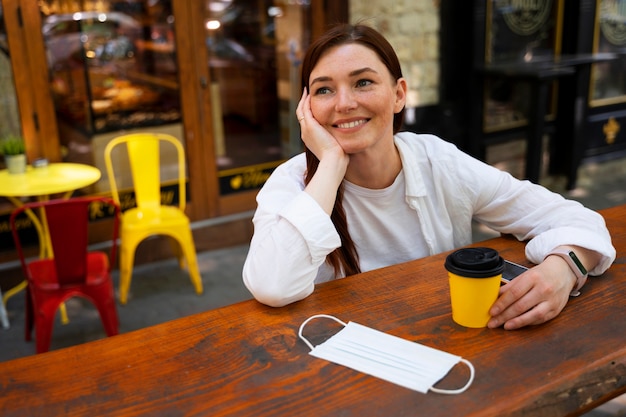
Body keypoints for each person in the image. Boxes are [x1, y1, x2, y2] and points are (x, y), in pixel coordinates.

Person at [242, 23, 616, 330]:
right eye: (324, 89)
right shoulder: (292, 182)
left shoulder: (436, 161)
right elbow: (272, 286)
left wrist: (564, 269)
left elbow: (574, 217)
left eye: (363, 82)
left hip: (442, 343)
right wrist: (331, 166)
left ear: (399, 94)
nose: (343, 103)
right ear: (306, 109)